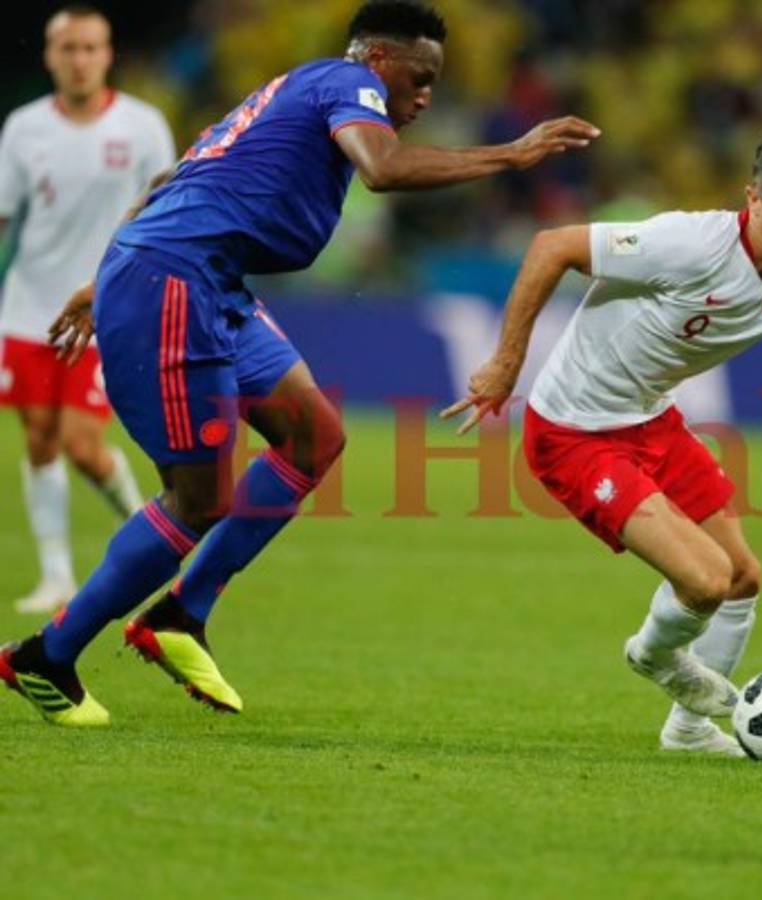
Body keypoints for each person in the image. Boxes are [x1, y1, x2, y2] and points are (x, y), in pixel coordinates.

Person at [0, 0, 599, 726]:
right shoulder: (350, 86)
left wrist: (105, 275)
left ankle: (180, 614)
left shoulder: (293, 93)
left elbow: (176, 182)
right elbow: (380, 170)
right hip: (174, 281)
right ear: (378, 60)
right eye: (420, 78)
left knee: (315, 434)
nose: (426, 96)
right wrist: (511, 153)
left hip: (205, 278)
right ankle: (45, 656)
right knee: (199, 498)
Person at [442, 131, 762, 756]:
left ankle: (687, 731)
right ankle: (655, 658)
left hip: (651, 421)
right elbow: (552, 247)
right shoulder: (688, 244)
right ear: (754, 200)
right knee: (706, 581)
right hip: (574, 433)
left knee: (741, 577)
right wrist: (504, 365)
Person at [0, 5, 172, 614]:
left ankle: (153, 532)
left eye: (90, 48)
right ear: (50, 56)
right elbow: (5, 217)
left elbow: (165, 211)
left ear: (108, 55)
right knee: (41, 439)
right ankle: (55, 574)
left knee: (81, 443)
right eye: (67, 48)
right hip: (27, 309)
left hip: (106, 309)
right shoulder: (23, 129)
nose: (79, 60)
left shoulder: (143, 126)